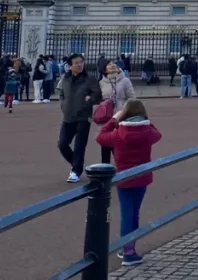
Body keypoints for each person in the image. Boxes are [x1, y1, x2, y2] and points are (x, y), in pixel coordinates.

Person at [95, 98, 162, 268]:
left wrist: (114, 119)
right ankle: (129, 248)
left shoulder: (119, 134)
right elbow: (157, 134)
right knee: (135, 213)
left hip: (124, 177)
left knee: (127, 214)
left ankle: (128, 250)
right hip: (142, 177)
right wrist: (146, 120)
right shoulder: (148, 132)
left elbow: (101, 136)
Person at [58, 53, 102, 183]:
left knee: (79, 146)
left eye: (81, 62)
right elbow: (61, 93)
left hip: (83, 116)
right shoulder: (65, 78)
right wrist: (63, 104)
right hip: (68, 116)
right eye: (76, 63)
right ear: (70, 66)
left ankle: (75, 171)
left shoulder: (90, 79)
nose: (80, 65)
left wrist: (90, 100)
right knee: (62, 144)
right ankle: (77, 164)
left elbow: (98, 95)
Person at [99, 61, 137, 163]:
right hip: (106, 117)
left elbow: (132, 98)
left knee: (120, 142)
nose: (112, 65)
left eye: (113, 63)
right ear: (105, 69)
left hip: (121, 116)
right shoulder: (101, 83)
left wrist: (124, 110)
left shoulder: (125, 81)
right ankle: (105, 167)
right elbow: (98, 99)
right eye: (109, 64)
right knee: (106, 143)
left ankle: (122, 166)